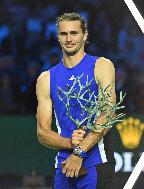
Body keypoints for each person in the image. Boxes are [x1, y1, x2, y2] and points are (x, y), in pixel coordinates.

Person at [36, 12, 115, 189]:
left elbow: (108, 114)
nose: (69, 38)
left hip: (96, 163)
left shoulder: (101, 66)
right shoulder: (46, 79)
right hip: (64, 166)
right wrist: (69, 143)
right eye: (64, 34)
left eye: (74, 33)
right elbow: (42, 133)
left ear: (84, 35)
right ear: (58, 37)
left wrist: (78, 154)